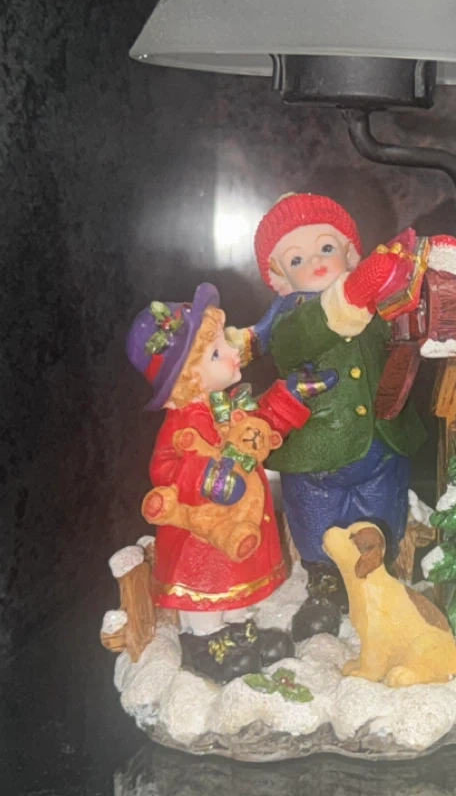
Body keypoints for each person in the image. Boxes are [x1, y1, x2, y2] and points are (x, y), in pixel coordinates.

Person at [234, 193, 434, 640]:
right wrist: (353, 294)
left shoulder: (377, 300)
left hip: (380, 446)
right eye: (297, 258)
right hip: (315, 454)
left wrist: (422, 273)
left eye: (327, 247)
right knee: (316, 520)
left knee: (380, 517)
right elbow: (297, 340)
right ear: (280, 278)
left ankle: (376, 579)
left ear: (351, 253)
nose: (316, 262)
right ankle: (324, 586)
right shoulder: (290, 316)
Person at [126, 283, 336, 680]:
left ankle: (239, 628)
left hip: (239, 524)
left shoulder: (224, 407)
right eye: (216, 352)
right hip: (201, 536)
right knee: (207, 586)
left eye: (224, 342)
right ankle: (204, 640)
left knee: (237, 577)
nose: (233, 351)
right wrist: (206, 478)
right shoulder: (184, 423)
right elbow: (164, 468)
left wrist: (292, 395)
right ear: (188, 378)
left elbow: (258, 428)